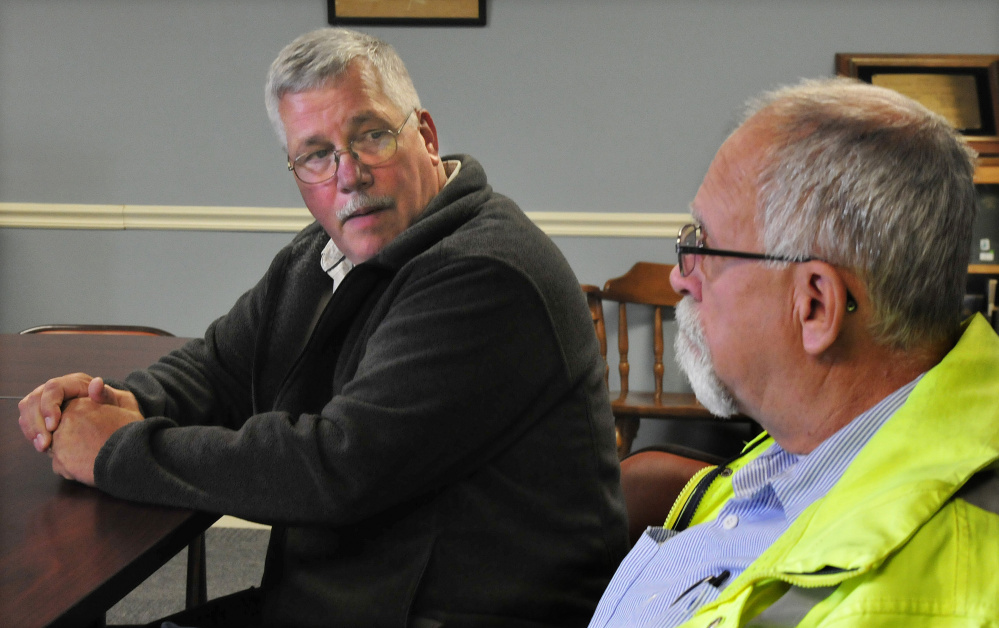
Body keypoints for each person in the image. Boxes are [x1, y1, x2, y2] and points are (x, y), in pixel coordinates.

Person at [18, 27, 629, 627]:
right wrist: (124, 400)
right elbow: (223, 364)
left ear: (425, 134)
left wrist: (114, 449)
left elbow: (336, 465)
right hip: (347, 599)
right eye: (316, 154)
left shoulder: (487, 273)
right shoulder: (324, 253)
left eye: (371, 137)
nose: (348, 174)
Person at [589, 77, 999, 627]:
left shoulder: (912, 592)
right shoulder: (815, 437)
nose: (679, 277)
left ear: (814, 306)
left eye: (702, 247)